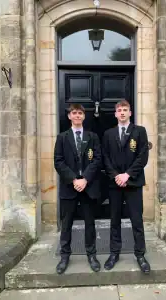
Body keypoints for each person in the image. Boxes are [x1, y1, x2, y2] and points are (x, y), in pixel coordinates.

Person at [102, 99, 150, 273]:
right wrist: (116, 176)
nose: (122, 112)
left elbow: (142, 157)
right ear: (115, 114)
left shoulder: (140, 131)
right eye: (119, 110)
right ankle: (114, 253)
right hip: (115, 184)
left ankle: (140, 254)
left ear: (130, 113)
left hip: (133, 183)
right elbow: (105, 158)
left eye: (125, 109)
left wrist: (127, 175)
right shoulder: (108, 134)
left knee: (136, 220)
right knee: (114, 220)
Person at [54, 104, 102, 274]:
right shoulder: (61, 137)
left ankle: (92, 255)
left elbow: (97, 159)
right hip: (70, 187)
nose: (77, 116)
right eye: (74, 113)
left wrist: (85, 179)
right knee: (66, 224)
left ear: (84, 116)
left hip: (88, 187)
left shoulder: (93, 137)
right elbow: (58, 161)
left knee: (90, 223)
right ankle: (65, 256)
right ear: (69, 116)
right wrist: (74, 179)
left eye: (80, 113)